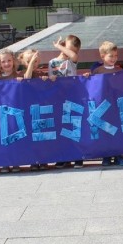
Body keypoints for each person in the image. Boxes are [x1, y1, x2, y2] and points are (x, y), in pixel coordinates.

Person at [46, 34, 82, 167]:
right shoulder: (53, 62)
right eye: (69, 49)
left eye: (74, 50)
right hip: (59, 98)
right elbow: (51, 77)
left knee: (74, 126)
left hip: (73, 97)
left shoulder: (72, 60)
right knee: (61, 127)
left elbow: (73, 56)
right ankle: (63, 156)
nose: (71, 53)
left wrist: (59, 46)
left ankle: (77, 156)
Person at [92, 41, 123, 167]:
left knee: (117, 130)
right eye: (111, 56)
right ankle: (106, 155)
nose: (114, 58)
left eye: (115, 56)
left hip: (116, 106)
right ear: (103, 56)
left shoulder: (119, 71)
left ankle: (118, 155)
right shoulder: (97, 71)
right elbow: (92, 87)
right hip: (103, 106)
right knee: (105, 130)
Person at [0, 49, 23, 173]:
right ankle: (4, 162)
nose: (6, 64)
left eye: (9, 60)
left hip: (15, 111)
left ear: (13, 61)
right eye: (3, 61)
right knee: (3, 137)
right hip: (2, 112)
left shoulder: (18, 75)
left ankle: (15, 162)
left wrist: (22, 82)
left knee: (15, 136)